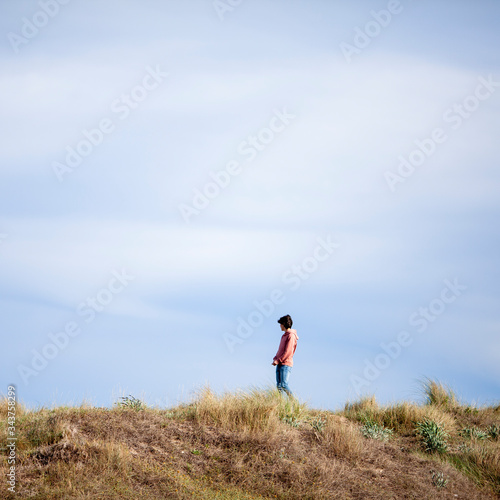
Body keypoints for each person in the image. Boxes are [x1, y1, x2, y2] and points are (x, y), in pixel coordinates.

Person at [272, 315, 298, 397]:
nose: (280, 326)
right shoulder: (284, 335)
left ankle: (295, 403)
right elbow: (280, 350)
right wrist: (276, 358)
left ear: (284, 324)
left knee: (283, 384)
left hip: (285, 364)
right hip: (280, 363)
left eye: (281, 324)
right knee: (279, 386)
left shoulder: (291, 336)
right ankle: (280, 405)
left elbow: (288, 352)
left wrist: (278, 360)